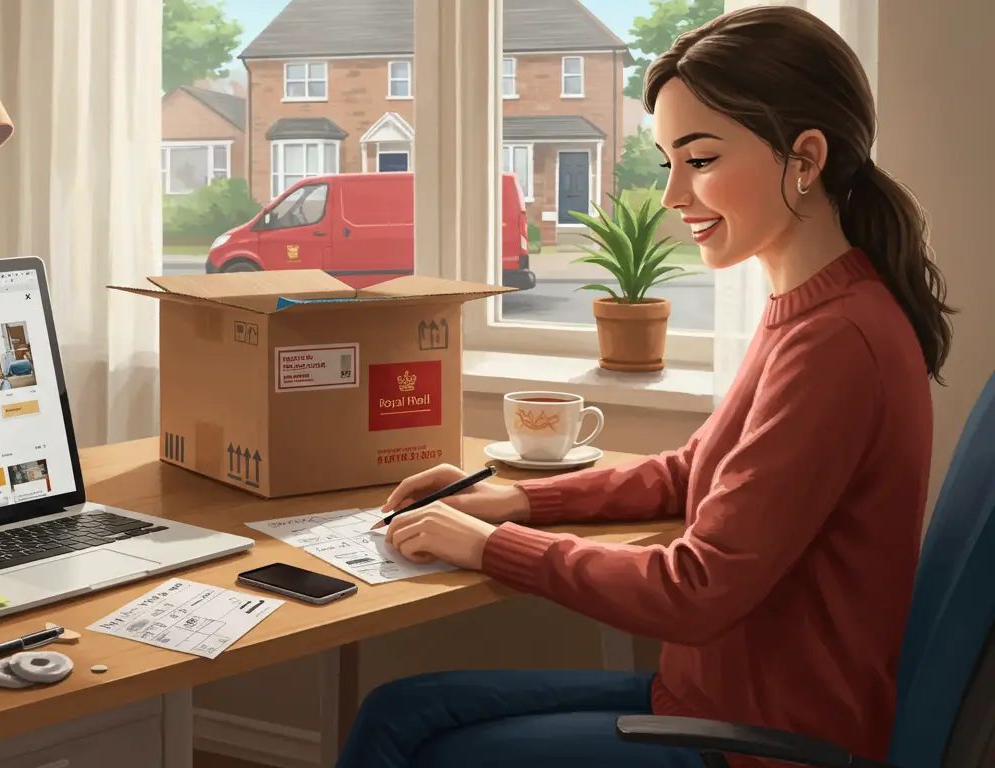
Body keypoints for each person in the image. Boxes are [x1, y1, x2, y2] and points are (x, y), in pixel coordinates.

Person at [336, 6, 956, 768]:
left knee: (423, 748)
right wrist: (516, 495)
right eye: (668, 162)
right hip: (706, 702)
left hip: (762, 743)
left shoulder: (839, 341)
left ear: (806, 158)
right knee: (400, 713)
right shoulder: (808, 306)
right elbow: (694, 472)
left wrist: (494, 546)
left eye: (698, 161)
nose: (671, 196)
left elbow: (697, 590)